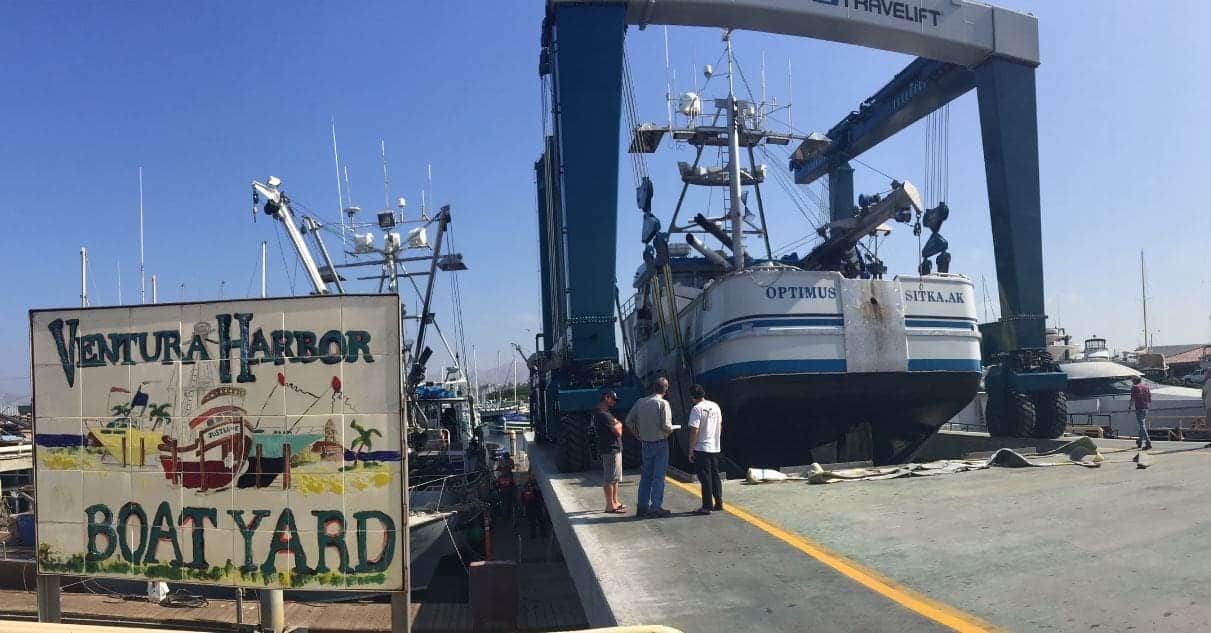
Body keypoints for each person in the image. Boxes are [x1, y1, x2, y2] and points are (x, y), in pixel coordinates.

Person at [625, 377, 674, 518]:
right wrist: (671, 430)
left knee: (646, 476)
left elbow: (629, 421)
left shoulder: (640, 402)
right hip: (660, 443)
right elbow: (666, 425)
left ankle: (642, 507)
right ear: (665, 389)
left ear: (653, 388)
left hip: (645, 443)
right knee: (659, 477)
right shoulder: (663, 404)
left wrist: (637, 435)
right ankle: (656, 507)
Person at [686, 384, 723, 515]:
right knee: (715, 475)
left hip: (701, 447)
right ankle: (718, 502)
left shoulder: (696, 409)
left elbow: (694, 430)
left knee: (705, 477)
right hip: (714, 446)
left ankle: (707, 506)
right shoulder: (715, 406)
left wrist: (691, 449)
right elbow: (720, 425)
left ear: (692, 397)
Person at [593, 389, 627, 513]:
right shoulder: (602, 413)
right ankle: (609, 505)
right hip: (610, 448)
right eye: (613, 400)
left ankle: (615, 502)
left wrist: (618, 424)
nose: (614, 403)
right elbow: (618, 431)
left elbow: (617, 426)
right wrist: (619, 424)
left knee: (615, 478)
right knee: (609, 478)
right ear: (607, 398)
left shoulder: (606, 413)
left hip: (615, 448)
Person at [1127, 376, 1153, 450]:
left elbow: (1132, 399)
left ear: (1135, 381)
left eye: (1133, 381)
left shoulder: (1134, 387)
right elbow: (1149, 397)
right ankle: (1139, 441)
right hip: (1146, 407)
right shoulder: (1146, 387)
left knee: (1142, 425)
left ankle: (1148, 443)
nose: (1132, 382)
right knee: (1142, 425)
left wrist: (1129, 407)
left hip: (1139, 408)